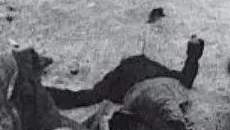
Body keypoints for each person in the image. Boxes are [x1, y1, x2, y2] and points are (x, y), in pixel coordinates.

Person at [46, 36, 205, 108]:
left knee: (91, 95)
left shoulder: (168, 82)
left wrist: (193, 55)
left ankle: (46, 94)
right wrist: (193, 55)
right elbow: (186, 80)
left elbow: (186, 79)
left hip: (135, 74)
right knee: (91, 96)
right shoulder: (169, 83)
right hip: (137, 76)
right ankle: (45, 94)